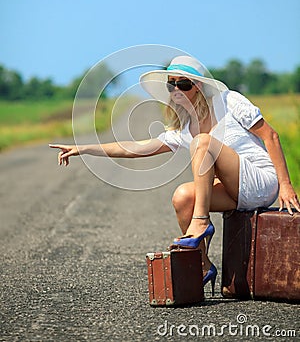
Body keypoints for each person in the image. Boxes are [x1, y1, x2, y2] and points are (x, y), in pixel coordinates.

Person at [50, 55, 300, 296]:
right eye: (172, 85)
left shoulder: (228, 100)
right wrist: (83, 149)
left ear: (199, 87)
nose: (177, 89)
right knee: (182, 196)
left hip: (261, 181)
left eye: (184, 83)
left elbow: (271, 136)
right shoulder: (183, 128)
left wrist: (285, 185)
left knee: (203, 142)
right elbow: (135, 148)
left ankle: (201, 222)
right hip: (236, 192)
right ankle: (202, 265)